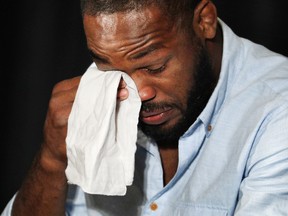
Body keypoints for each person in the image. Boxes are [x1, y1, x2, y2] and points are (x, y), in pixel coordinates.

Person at [2, 0, 288, 215]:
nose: (137, 94)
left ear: (204, 21)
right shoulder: (100, 87)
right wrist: (52, 161)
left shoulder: (276, 109)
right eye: (111, 70)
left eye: (155, 66)